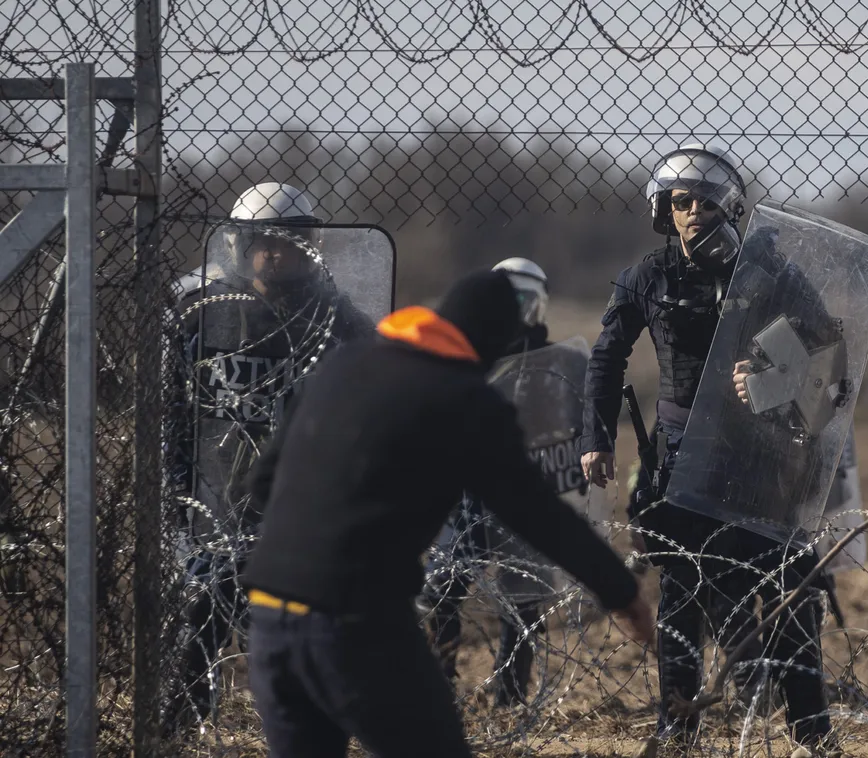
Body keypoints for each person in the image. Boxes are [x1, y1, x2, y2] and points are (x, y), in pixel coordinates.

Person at [239, 269, 654, 758]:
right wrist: (623, 593)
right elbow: (537, 513)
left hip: (268, 618)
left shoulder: (346, 363)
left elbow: (263, 483)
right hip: (355, 623)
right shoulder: (466, 400)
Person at [581, 143, 835, 757]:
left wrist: (774, 380)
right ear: (664, 211)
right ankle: (678, 727)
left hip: (763, 455)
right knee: (682, 596)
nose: (691, 212)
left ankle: (811, 734)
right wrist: (595, 439)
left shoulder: (770, 272)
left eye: (703, 201)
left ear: (730, 207)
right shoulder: (648, 275)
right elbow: (607, 356)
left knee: (787, 589)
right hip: (680, 460)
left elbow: (830, 353)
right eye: (679, 202)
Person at [166, 181, 377, 725]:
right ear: (237, 244)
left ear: (311, 246)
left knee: (292, 634)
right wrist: (174, 486)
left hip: (300, 505)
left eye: (287, 241)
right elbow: (170, 407)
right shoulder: (201, 313)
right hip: (214, 495)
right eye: (261, 241)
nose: (273, 253)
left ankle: (300, 726)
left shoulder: (339, 322)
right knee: (201, 616)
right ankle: (185, 723)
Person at [419, 257, 587, 707]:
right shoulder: (465, 355)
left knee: (523, 598)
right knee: (444, 588)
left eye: (524, 300)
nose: (515, 312)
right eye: (508, 299)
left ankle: (510, 694)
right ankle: (438, 680)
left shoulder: (558, 361)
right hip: (466, 494)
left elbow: (574, 422)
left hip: (526, 489)